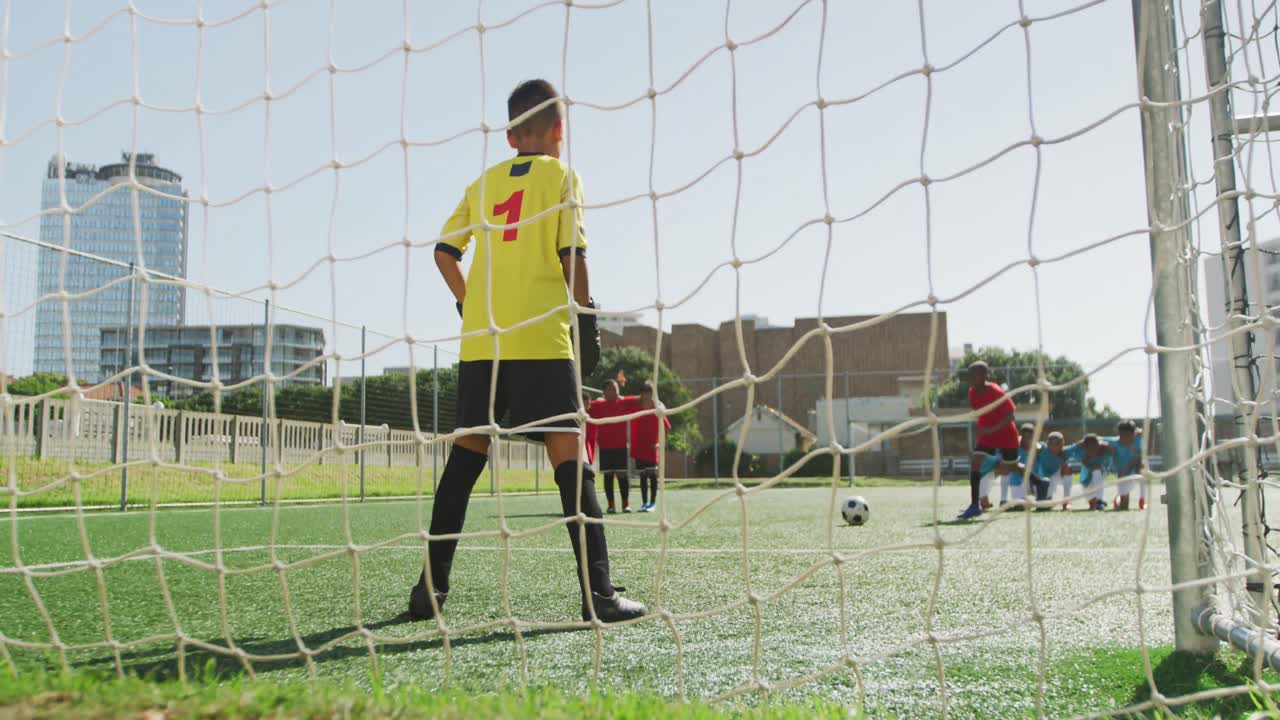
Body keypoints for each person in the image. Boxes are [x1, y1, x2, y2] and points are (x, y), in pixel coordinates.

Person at [408, 78, 645, 624]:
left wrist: (469, 305)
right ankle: (599, 595)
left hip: (482, 341)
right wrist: (586, 316)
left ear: (512, 134)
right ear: (560, 131)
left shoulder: (484, 182)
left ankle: (429, 590)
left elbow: (445, 253)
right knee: (570, 459)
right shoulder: (562, 176)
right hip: (541, 336)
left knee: (465, 459)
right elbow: (572, 256)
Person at [959, 361, 1021, 520]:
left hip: (1006, 435)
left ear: (985, 376)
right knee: (976, 463)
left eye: (975, 374)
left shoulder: (996, 391)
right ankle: (974, 505)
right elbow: (981, 413)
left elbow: (1010, 416)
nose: (971, 378)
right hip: (987, 436)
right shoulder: (972, 392)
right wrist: (984, 430)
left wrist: (991, 429)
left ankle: (1039, 482)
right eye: (969, 374)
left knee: (1010, 466)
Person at [588, 380, 639, 513]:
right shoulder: (598, 405)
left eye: (615, 389)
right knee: (608, 476)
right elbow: (584, 405)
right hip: (605, 447)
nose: (614, 392)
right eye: (610, 389)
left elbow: (641, 399)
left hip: (621, 446)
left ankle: (625, 504)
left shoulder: (624, 402)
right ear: (604, 392)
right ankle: (611, 505)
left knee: (622, 475)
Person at [629, 381, 671, 513]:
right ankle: (644, 503)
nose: (646, 395)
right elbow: (623, 401)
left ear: (653, 394)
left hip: (652, 447)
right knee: (642, 476)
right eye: (644, 392)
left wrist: (660, 443)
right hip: (638, 446)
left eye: (649, 393)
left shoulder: (657, 408)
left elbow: (666, 427)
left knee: (652, 475)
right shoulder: (635, 406)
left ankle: (652, 503)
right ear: (641, 394)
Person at [1103, 421, 1144, 510]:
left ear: (1133, 434)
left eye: (1128, 435)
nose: (1125, 438)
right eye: (1122, 435)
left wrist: (1130, 466)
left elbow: (1139, 457)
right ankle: (1118, 500)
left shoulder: (1138, 440)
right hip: (1122, 474)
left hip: (1134, 471)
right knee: (1124, 506)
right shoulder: (1114, 442)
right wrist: (1105, 445)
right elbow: (1095, 439)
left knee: (1142, 467)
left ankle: (1142, 500)